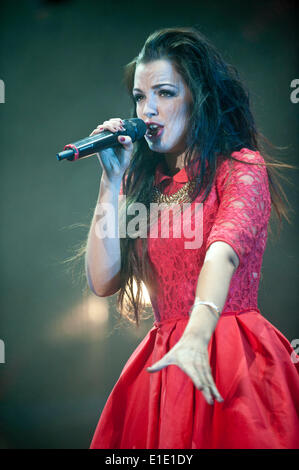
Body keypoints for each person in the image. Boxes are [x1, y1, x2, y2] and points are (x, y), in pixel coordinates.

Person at [85, 27, 299, 449]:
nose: (148, 110)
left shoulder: (240, 168)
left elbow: (223, 255)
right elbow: (103, 281)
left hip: (230, 353)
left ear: (198, 97)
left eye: (164, 93)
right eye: (140, 98)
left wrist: (198, 335)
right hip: (165, 364)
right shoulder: (146, 183)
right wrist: (111, 182)